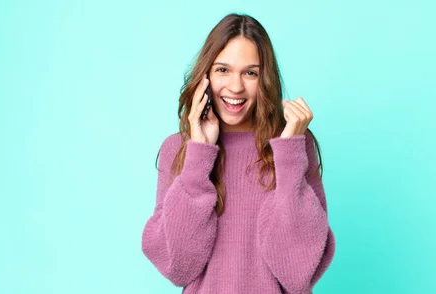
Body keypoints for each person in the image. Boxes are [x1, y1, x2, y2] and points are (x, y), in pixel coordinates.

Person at [141, 13, 335, 294]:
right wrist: (199, 154)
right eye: (223, 70)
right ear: (205, 75)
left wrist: (289, 152)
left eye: (250, 72)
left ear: (264, 79)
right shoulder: (178, 149)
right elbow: (178, 266)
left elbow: (298, 272)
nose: (235, 87)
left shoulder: (293, 145)